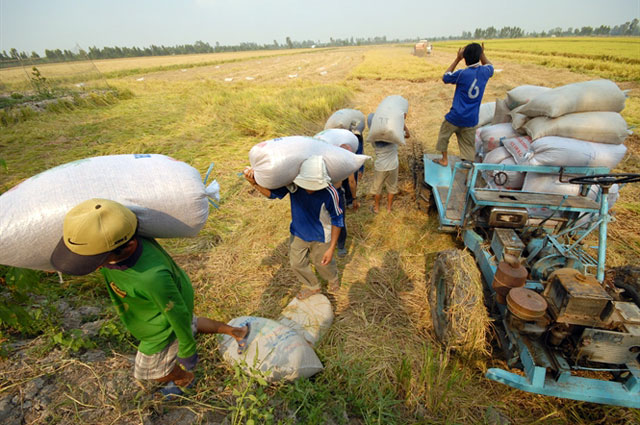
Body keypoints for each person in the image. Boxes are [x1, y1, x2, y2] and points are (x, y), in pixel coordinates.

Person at [50, 198, 250, 397]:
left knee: (150, 372)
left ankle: (184, 379)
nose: (95, 266)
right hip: (170, 300)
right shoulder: (124, 237)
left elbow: (177, 313)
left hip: (161, 325)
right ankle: (236, 332)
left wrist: (188, 350)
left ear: (128, 247)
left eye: (97, 260)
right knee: (191, 322)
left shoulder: (150, 278)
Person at [244, 155, 344, 299]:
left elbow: (337, 219)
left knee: (322, 263)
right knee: (296, 264)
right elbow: (272, 194)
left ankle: (332, 278)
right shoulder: (294, 185)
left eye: (314, 185)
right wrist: (254, 184)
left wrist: (331, 248)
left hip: (322, 236)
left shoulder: (330, 193)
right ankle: (313, 286)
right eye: (307, 185)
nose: (310, 189)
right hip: (298, 232)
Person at [433, 42, 493, 167]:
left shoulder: (462, 74)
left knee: (444, 135)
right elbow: (490, 65)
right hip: (471, 119)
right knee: (468, 144)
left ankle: (444, 159)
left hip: (455, 116)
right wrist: (482, 54)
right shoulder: (485, 72)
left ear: (465, 58)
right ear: (479, 56)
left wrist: (457, 59)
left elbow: (445, 77)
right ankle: (467, 166)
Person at [368, 113, 410, 213]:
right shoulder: (394, 136)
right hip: (393, 165)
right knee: (391, 187)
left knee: (377, 188)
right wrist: (401, 123)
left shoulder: (373, 138)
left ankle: (377, 208)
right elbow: (407, 135)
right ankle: (389, 209)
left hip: (380, 167)